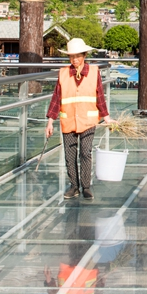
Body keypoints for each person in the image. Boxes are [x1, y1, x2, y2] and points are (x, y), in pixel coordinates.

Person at [46, 38, 110, 200]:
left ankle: (86, 186)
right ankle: (74, 186)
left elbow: (100, 96)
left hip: (88, 120)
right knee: (70, 154)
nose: (75, 60)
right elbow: (56, 98)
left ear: (84, 55)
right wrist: (50, 121)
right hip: (68, 120)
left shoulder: (94, 72)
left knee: (85, 153)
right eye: (72, 57)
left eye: (78, 56)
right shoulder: (63, 73)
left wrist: (107, 118)